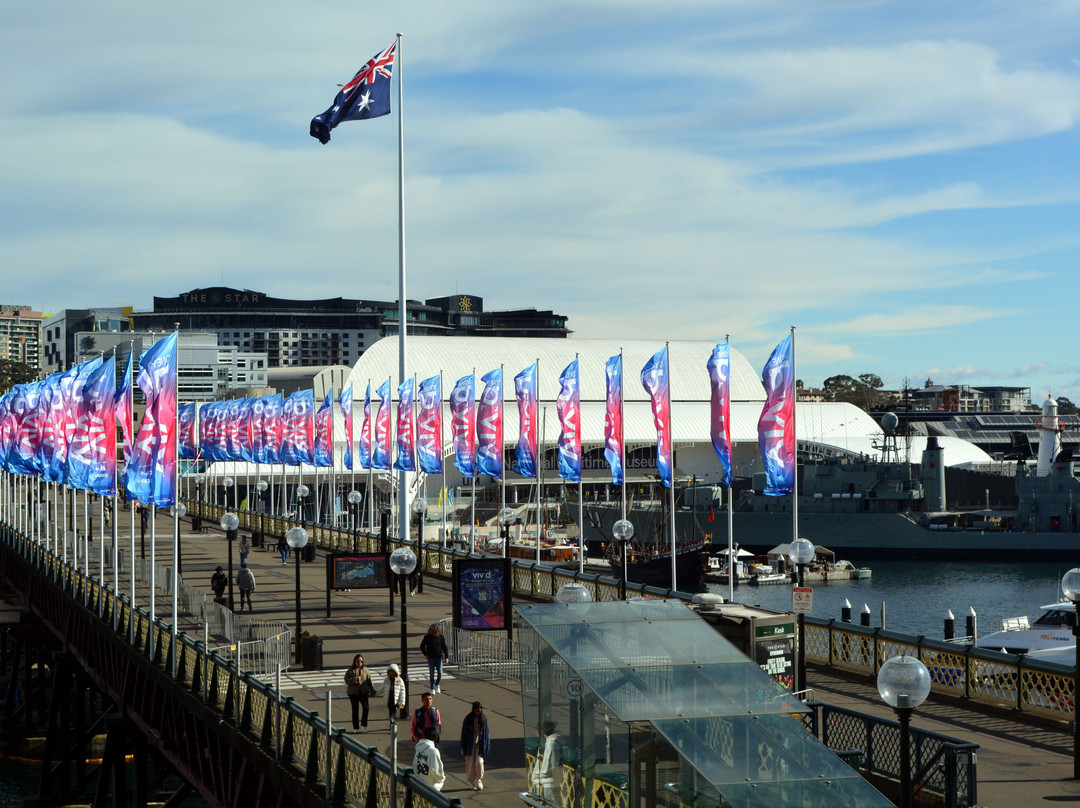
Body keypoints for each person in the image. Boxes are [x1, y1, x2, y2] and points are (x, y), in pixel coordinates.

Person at [459, 701, 490, 791]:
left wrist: (487, 745)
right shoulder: (468, 719)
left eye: (479, 711)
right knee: (470, 764)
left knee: (479, 762)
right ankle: (471, 781)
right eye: (476, 711)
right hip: (469, 745)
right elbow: (464, 734)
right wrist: (463, 747)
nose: (478, 713)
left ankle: (479, 779)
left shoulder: (484, 719)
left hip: (480, 745)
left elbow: (487, 733)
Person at [530, 721, 564, 799]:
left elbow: (550, 766)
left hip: (549, 784)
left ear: (542, 731)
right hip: (547, 783)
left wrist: (541, 777)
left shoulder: (551, 745)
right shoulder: (549, 743)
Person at [344, 653, 373, 733]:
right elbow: (346, 680)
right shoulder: (350, 670)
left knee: (366, 708)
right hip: (353, 693)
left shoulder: (365, 670)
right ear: (354, 662)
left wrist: (372, 690)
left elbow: (369, 681)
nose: (360, 663)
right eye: (358, 661)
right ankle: (356, 727)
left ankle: (363, 725)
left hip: (363, 692)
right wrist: (355, 679)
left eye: (361, 661)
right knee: (355, 709)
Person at [411, 725, 445, 791]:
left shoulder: (419, 748)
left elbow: (414, 765)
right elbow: (437, 771)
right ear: (436, 737)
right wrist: (442, 778)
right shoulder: (433, 751)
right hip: (431, 787)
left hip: (419, 783)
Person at [419, 624, 449, 694]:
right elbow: (422, 646)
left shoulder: (441, 637)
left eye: (434, 630)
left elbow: (445, 647)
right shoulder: (427, 637)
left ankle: (437, 684)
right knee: (432, 674)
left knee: (440, 673)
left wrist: (446, 657)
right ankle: (432, 687)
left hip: (439, 657)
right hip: (431, 658)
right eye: (431, 630)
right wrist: (425, 654)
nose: (433, 632)